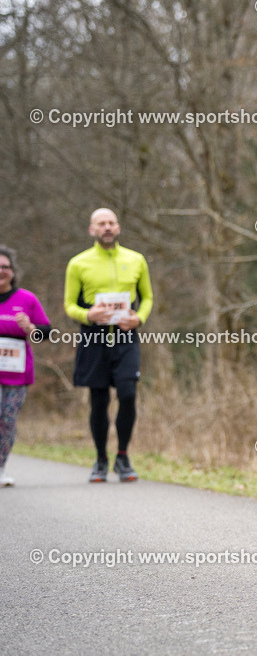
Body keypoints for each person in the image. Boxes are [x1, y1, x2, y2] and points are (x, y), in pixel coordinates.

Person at [64, 208, 154, 483]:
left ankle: (123, 457)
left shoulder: (136, 259)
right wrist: (87, 315)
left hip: (126, 337)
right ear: (92, 229)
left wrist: (139, 318)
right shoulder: (78, 263)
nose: (107, 227)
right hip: (94, 337)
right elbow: (69, 305)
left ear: (118, 228)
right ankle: (101, 459)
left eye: (111, 223)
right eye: (101, 223)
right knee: (99, 400)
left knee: (128, 394)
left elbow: (148, 297)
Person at [0, 246, 52, 487]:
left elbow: (47, 333)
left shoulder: (27, 299)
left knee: (7, 421)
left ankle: (0, 468)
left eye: (5, 267)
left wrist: (31, 328)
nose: (1, 271)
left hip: (17, 373)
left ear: (13, 271)